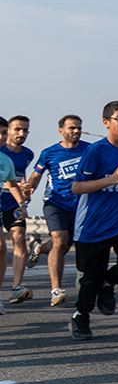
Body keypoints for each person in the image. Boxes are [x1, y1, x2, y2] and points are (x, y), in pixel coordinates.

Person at [68, 102, 118, 340]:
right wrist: (111, 180)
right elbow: (76, 187)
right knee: (89, 280)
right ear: (107, 122)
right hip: (93, 224)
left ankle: (108, 282)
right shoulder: (95, 150)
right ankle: (80, 316)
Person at [26, 115, 86, 307]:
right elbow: (36, 175)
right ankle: (56, 290)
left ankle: (38, 248)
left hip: (81, 206)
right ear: (61, 130)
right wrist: (29, 188)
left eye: (78, 128)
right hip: (55, 203)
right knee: (60, 240)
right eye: (72, 128)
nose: (76, 131)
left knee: (64, 246)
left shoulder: (89, 149)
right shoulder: (49, 153)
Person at [2, 115, 36, 303]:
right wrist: (11, 187)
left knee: (19, 237)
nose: (21, 134)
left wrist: (24, 196)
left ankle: (16, 287)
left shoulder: (27, 154)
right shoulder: (0, 151)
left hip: (12, 204)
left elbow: (19, 177)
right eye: (17, 129)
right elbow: (5, 180)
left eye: (25, 130)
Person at [0, 136, 23, 317]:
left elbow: (12, 184)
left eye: (3, 133)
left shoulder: (6, 161)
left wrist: (22, 205)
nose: (1, 137)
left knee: (1, 248)